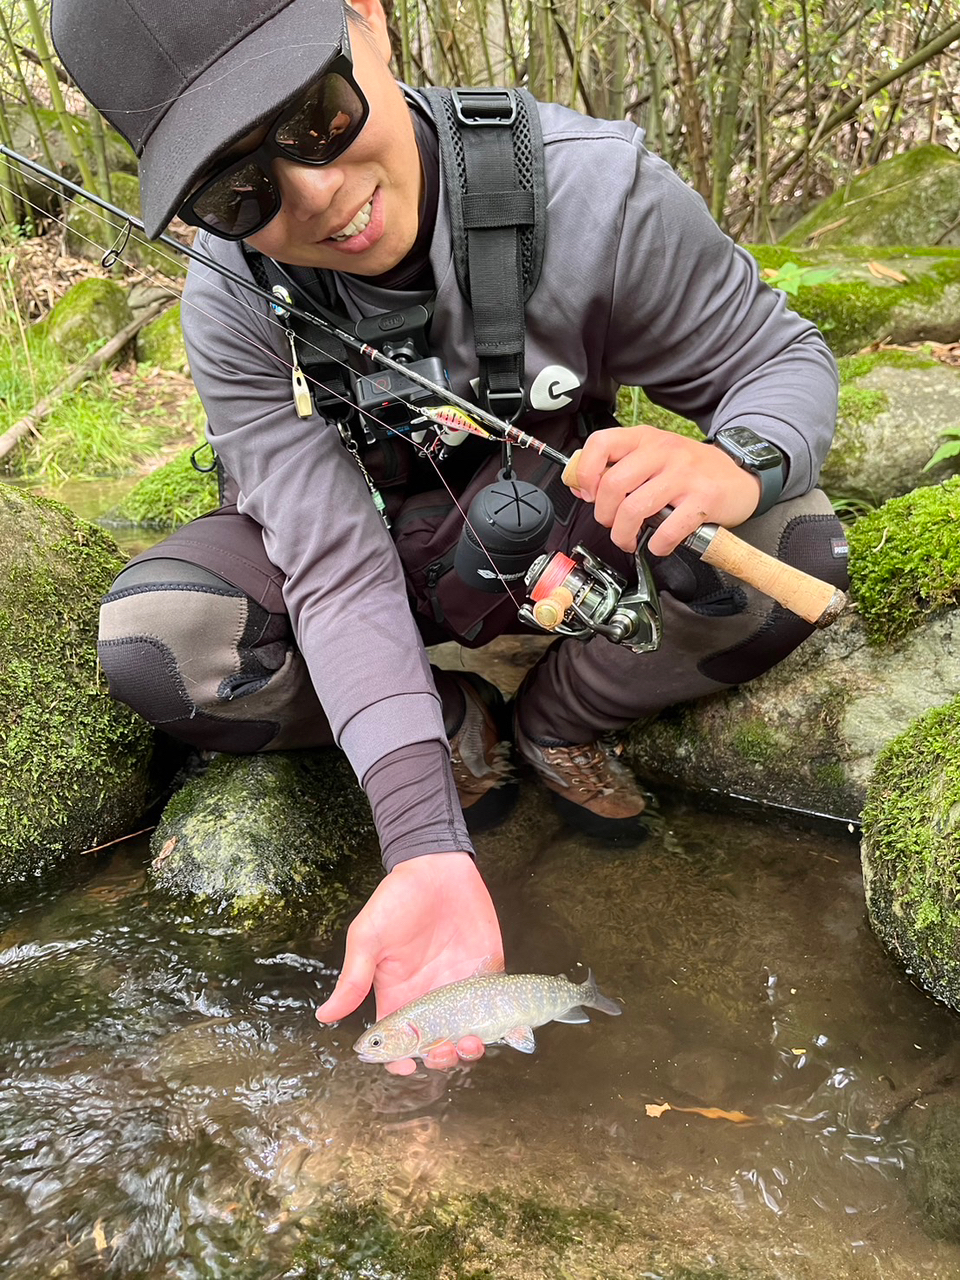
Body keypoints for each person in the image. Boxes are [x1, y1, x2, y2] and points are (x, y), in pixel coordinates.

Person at [52, 0, 848, 1076]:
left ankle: (567, 715)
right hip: (380, 555)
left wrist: (738, 458)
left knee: (788, 541)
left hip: (564, 534)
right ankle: (449, 721)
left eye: (314, 118)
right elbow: (329, 563)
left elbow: (779, 358)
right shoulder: (233, 299)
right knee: (167, 638)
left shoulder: (592, 192)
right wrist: (422, 838)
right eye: (238, 191)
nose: (315, 195)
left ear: (369, 20)